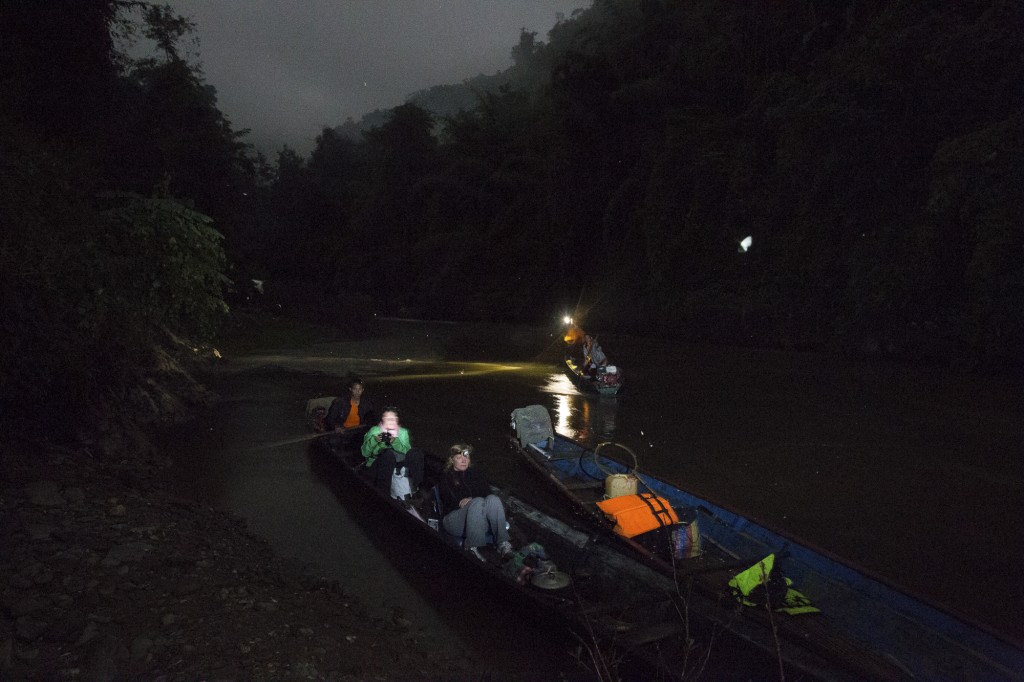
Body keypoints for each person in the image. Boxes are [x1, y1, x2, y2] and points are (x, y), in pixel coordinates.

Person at [438, 443, 513, 559]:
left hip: (477, 519)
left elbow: (487, 493)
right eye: (459, 458)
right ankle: (472, 547)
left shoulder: (475, 474)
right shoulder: (446, 476)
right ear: (452, 460)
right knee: (477, 502)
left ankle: (502, 543)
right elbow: (450, 499)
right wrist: (472, 500)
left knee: (493, 499)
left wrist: (472, 499)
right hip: (454, 521)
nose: (464, 461)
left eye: (466, 457)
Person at [360, 407, 424, 498]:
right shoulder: (374, 431)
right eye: (387, 418)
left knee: (416, 453)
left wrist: (395, 442)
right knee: (387, 455)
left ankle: (415, 489)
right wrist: (374, 440)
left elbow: (408, 452)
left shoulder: (403, 432)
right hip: (376, 464)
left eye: (393, 418)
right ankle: (383, 494)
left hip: (397, 463)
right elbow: (365, 453)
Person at [324, 376, 374, 450]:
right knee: (333, 442)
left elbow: (371, 418)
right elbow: (330, 418)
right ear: (350, 389)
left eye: (360, 389)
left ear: (363, 390)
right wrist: (336, 426)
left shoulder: (367, 404)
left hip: (358, 431)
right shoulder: (340, 402)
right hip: (343, 430)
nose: (357, 391)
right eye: (355, 389)